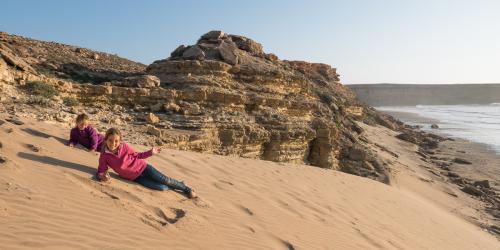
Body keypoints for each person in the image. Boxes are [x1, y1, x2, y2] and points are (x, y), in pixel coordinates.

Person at [96, 128, 196, 198]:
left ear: (120, 141)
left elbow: (137, 155)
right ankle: (178, 184)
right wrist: (103, 177)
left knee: (166, 180)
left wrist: (150, 152)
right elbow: (101, 170)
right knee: (162, 187)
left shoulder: (125, 147)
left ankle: (186, 189)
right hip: (136, 178)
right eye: (110, 140)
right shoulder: (104, 155)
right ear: (106, 140)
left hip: (144, 168)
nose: (113, 143)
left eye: (116, 141)